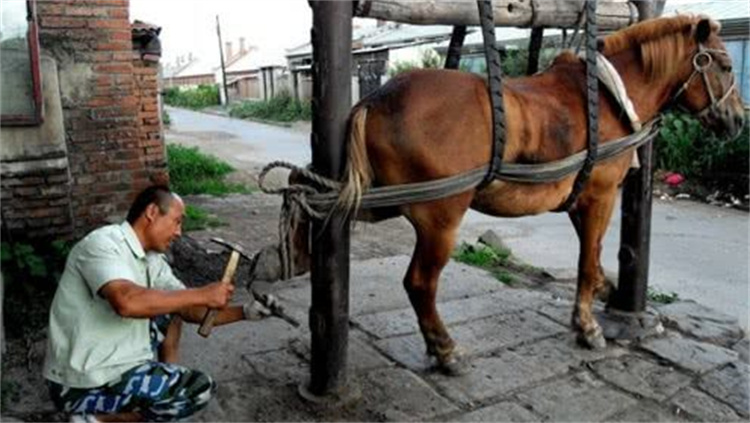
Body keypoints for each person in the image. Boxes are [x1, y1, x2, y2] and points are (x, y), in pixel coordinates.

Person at [43, 185, 270, 422]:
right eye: (177, 221)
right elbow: (126, 302)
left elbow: (189, 309)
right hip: (81, 382)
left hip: (118, 364)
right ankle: (95, 419)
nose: (179, 232)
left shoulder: (153, 261)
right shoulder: (103, 244)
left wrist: (246, 312)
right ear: (152, 212)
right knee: (196, 389)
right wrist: (202, 293)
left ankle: (163, 381)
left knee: (171, 307)